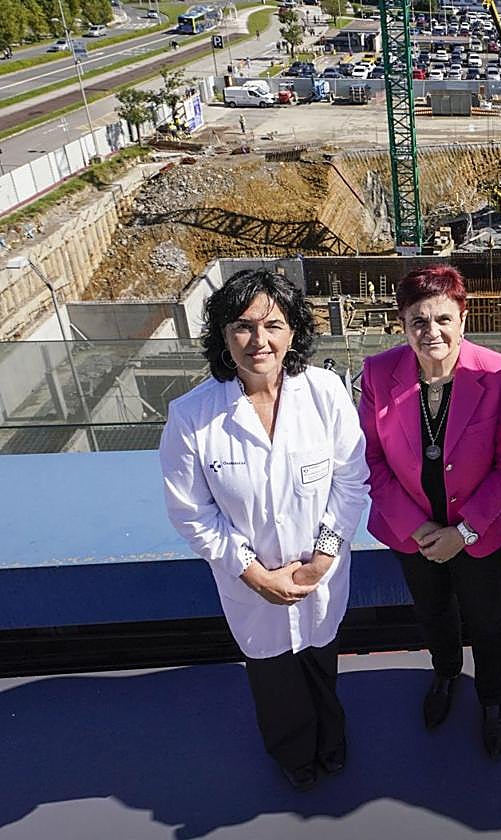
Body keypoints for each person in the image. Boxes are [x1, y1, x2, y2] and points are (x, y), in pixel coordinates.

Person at [160, 269, 368, 791]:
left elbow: (351, 481)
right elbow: (192, 512)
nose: (259, 340)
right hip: (250, 587)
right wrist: (252, 573)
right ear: (223, 337)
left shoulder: (324, 393)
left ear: (293, 331)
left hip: (319, 576)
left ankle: (332, 739)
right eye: (243, 327)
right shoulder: (191, 418)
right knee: (273, 677)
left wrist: (322, 558)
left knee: (322, 660)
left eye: (273, 325)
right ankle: (293, 752)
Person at [358, 264, 501, 759]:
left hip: (482, 532)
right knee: (432, 611)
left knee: (489, 618)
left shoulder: (497, 374)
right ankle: (447, 672)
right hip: (413, 532)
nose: (432, 331)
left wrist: (466, 531)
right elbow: (370, 459)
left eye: (443, 319)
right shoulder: (377, 374)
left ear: (463, 318)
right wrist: (419, 528)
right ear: (402, 323)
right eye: (419, 321)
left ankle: (493, 696)